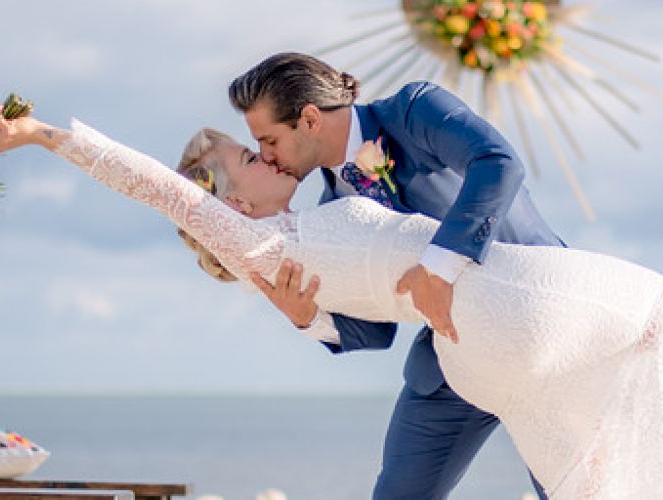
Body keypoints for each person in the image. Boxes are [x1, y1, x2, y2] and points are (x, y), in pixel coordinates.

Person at [0, 100, 663, 500]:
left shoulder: (282, 239)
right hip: (512, 311)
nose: (258, 158)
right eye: (244, 159)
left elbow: (151, 185)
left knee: (597, 446)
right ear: (228, 201)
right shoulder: (301, 226)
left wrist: (54, 137)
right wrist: (48, 132)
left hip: (485, 343)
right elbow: (159, 182)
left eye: (259, 146)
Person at [229, 52, 564, 499]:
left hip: (541, 328)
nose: (266, 157)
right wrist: (309, 318)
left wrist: (439, 268)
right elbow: (376, 329)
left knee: (572, 491)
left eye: (269, 140)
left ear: (309, 119)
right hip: (451, 361)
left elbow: (498, 162)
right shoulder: (333, 212)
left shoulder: (415, 110)